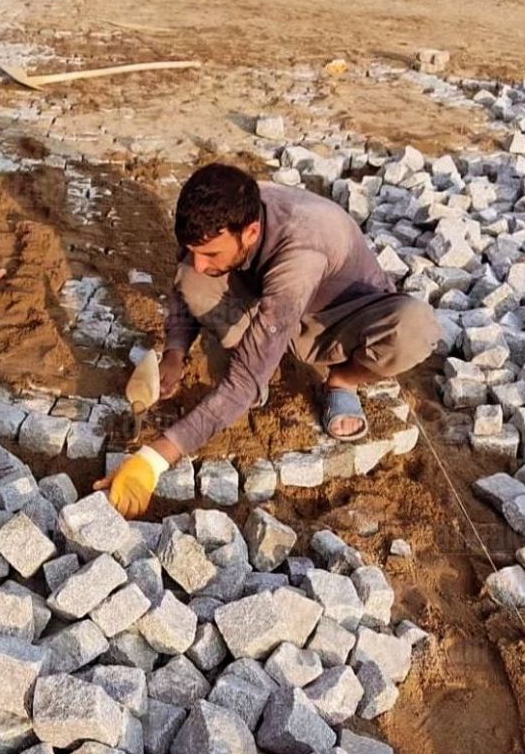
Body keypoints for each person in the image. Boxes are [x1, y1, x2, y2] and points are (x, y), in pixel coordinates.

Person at [97, 162, 442, 518]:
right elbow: (188, 284)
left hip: (336, 319)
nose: (201, 262)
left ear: (251, 232)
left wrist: (153, 460)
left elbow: (242, 382)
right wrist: (175, 352)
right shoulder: (226, 213)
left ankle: (342, 381)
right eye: (194, 250)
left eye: (211, 253)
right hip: (270, 303)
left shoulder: (301, 249)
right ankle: (257, 352)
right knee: (190, 279)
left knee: (414, 329)